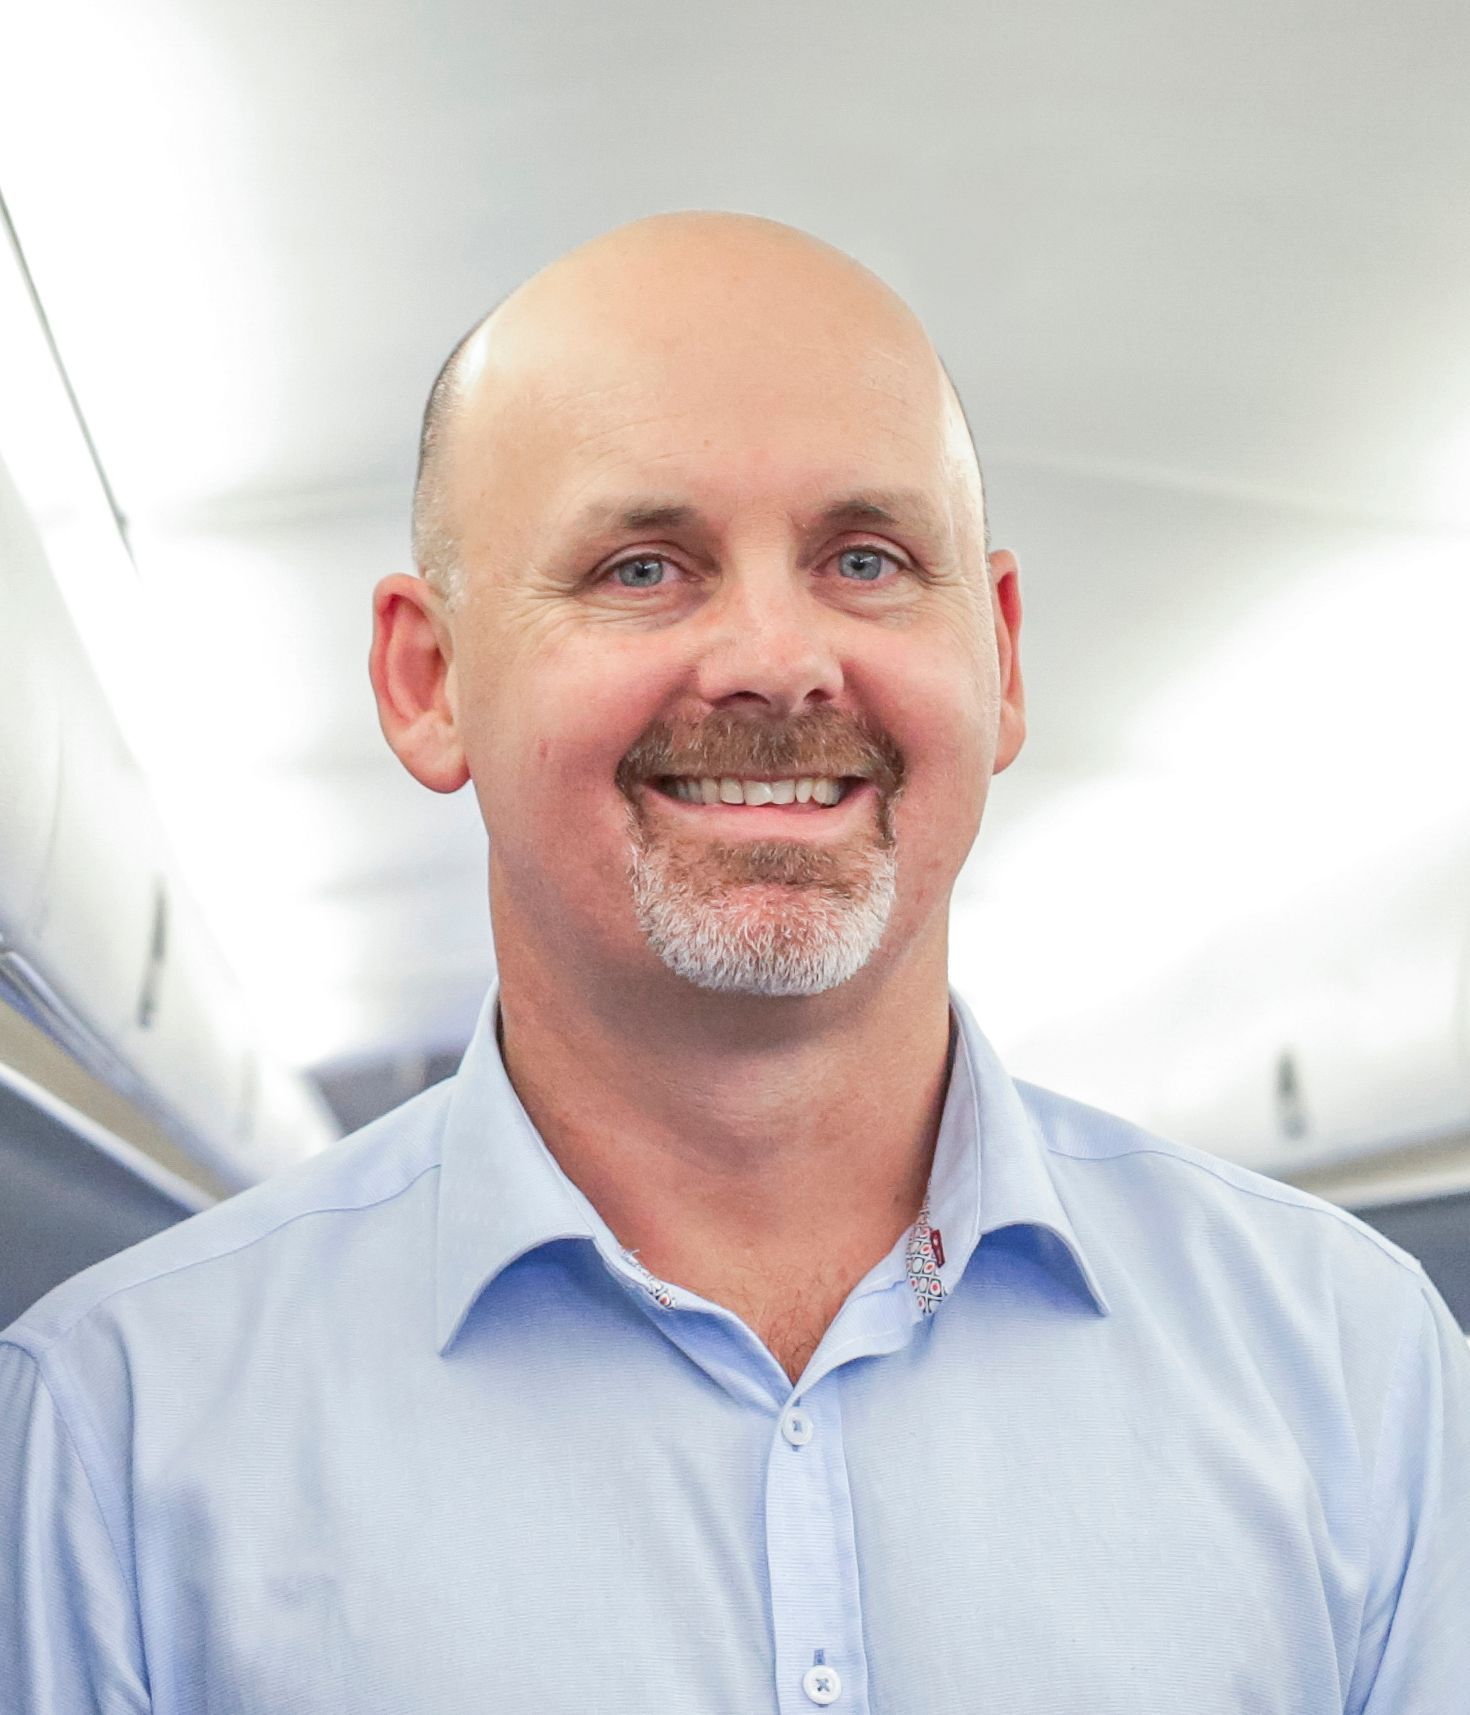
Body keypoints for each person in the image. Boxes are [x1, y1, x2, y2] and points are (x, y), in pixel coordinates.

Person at [2, 212, 1467, 1714]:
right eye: (643, 567)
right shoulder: (119, 1438)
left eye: (865, 558)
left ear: (1002, 660)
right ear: (427, 680)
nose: (776, 655)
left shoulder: (1353, 1372)